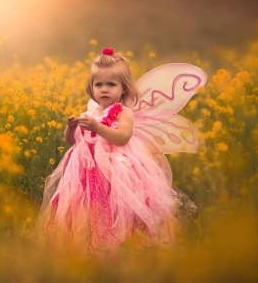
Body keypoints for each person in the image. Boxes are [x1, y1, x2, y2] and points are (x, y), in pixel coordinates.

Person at [36, 47, 206, 254]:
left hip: (119, 169)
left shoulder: (124, 113)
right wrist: (71, 128)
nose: (104, 89)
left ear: (124, 88)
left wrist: (97, 127)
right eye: (98, 84)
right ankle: (90, 246)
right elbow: (72, 141)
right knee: (91, 207)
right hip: (87, 171)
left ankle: (125, 244)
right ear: (91, 88)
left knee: (119, 207)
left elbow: (123, 137)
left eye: (111, 84)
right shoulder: (88, 113)